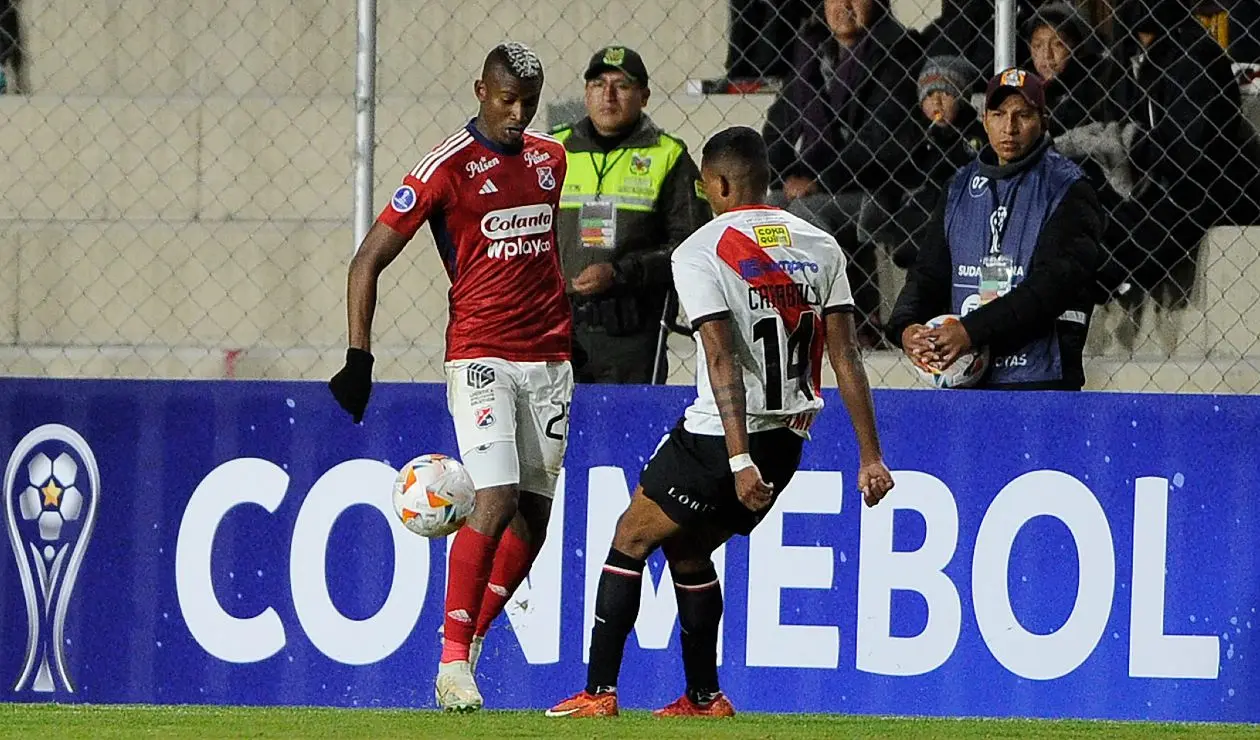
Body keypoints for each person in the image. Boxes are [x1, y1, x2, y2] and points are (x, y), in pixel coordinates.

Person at [544, 126, 895, 719]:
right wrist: (870, 456)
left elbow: (720, 355)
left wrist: (737, 460)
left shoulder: (702, 249)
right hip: (789, 440)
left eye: (706, 183)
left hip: (724, 437)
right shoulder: (819, 244)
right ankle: (705, 698)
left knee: (629, 538)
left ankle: (598, 693)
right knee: (686, 547)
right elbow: (847, 357)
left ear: (721, 182)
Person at [328, 41, 572, 712]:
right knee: (491, 497)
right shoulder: (446, 168)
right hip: (480, 353)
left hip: (550, 360)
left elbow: (542, 252)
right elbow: (366, 260)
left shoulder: (553, 161)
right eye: (505, 101)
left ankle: (471, 637)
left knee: (535, 518)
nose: (517, 114)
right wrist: (359, 357)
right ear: (479, 91)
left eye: (527, 101)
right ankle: (452, 663)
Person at [887, 68, 1103, 391]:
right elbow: (928, 274)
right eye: (999, 114)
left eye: (1023, 115)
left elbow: (1052, 287)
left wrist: (970, 331)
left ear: (1044, 121)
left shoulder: (1069, 187)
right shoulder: (958, 187)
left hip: (1041, 380)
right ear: (985, 121)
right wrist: (906, 328)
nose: (1010, 128)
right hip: (969, 381)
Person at [762, 0, 922, 345]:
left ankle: (839, 322)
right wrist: (785, 175)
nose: (843, 6)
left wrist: (821, 181)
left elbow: (884, 141)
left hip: (880, 186)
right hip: (820, 180)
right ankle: (781, 315)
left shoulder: (898, 51)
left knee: (809, 210)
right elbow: (777, 128)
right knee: (770, 207)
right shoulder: (811, 53)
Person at [553, 46, 710, 384]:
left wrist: (620, 273)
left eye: (621, 86)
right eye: (598, 84)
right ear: (586, 92)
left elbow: (692, 246)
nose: (607, 95)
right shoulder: (555, 149)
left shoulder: (669, 156)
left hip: (632, 336)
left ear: (645, 95)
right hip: (557, 329)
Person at [866, 55, 986, 269]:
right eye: (929, 95)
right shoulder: (918, 132)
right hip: (920, 201)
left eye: (946, 94)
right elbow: (901, 167)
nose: (937, 102)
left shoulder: (973, 133)